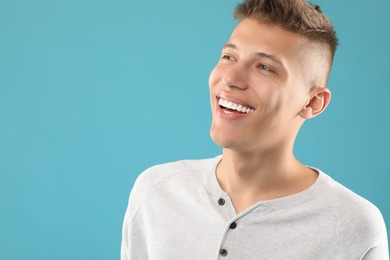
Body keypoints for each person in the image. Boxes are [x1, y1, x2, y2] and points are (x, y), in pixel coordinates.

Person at [121, 0, 389, 259]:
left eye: (265, 67)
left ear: (313, 102)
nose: (231, 78)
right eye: (229, 56)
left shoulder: (352, 227)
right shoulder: (156, 191)